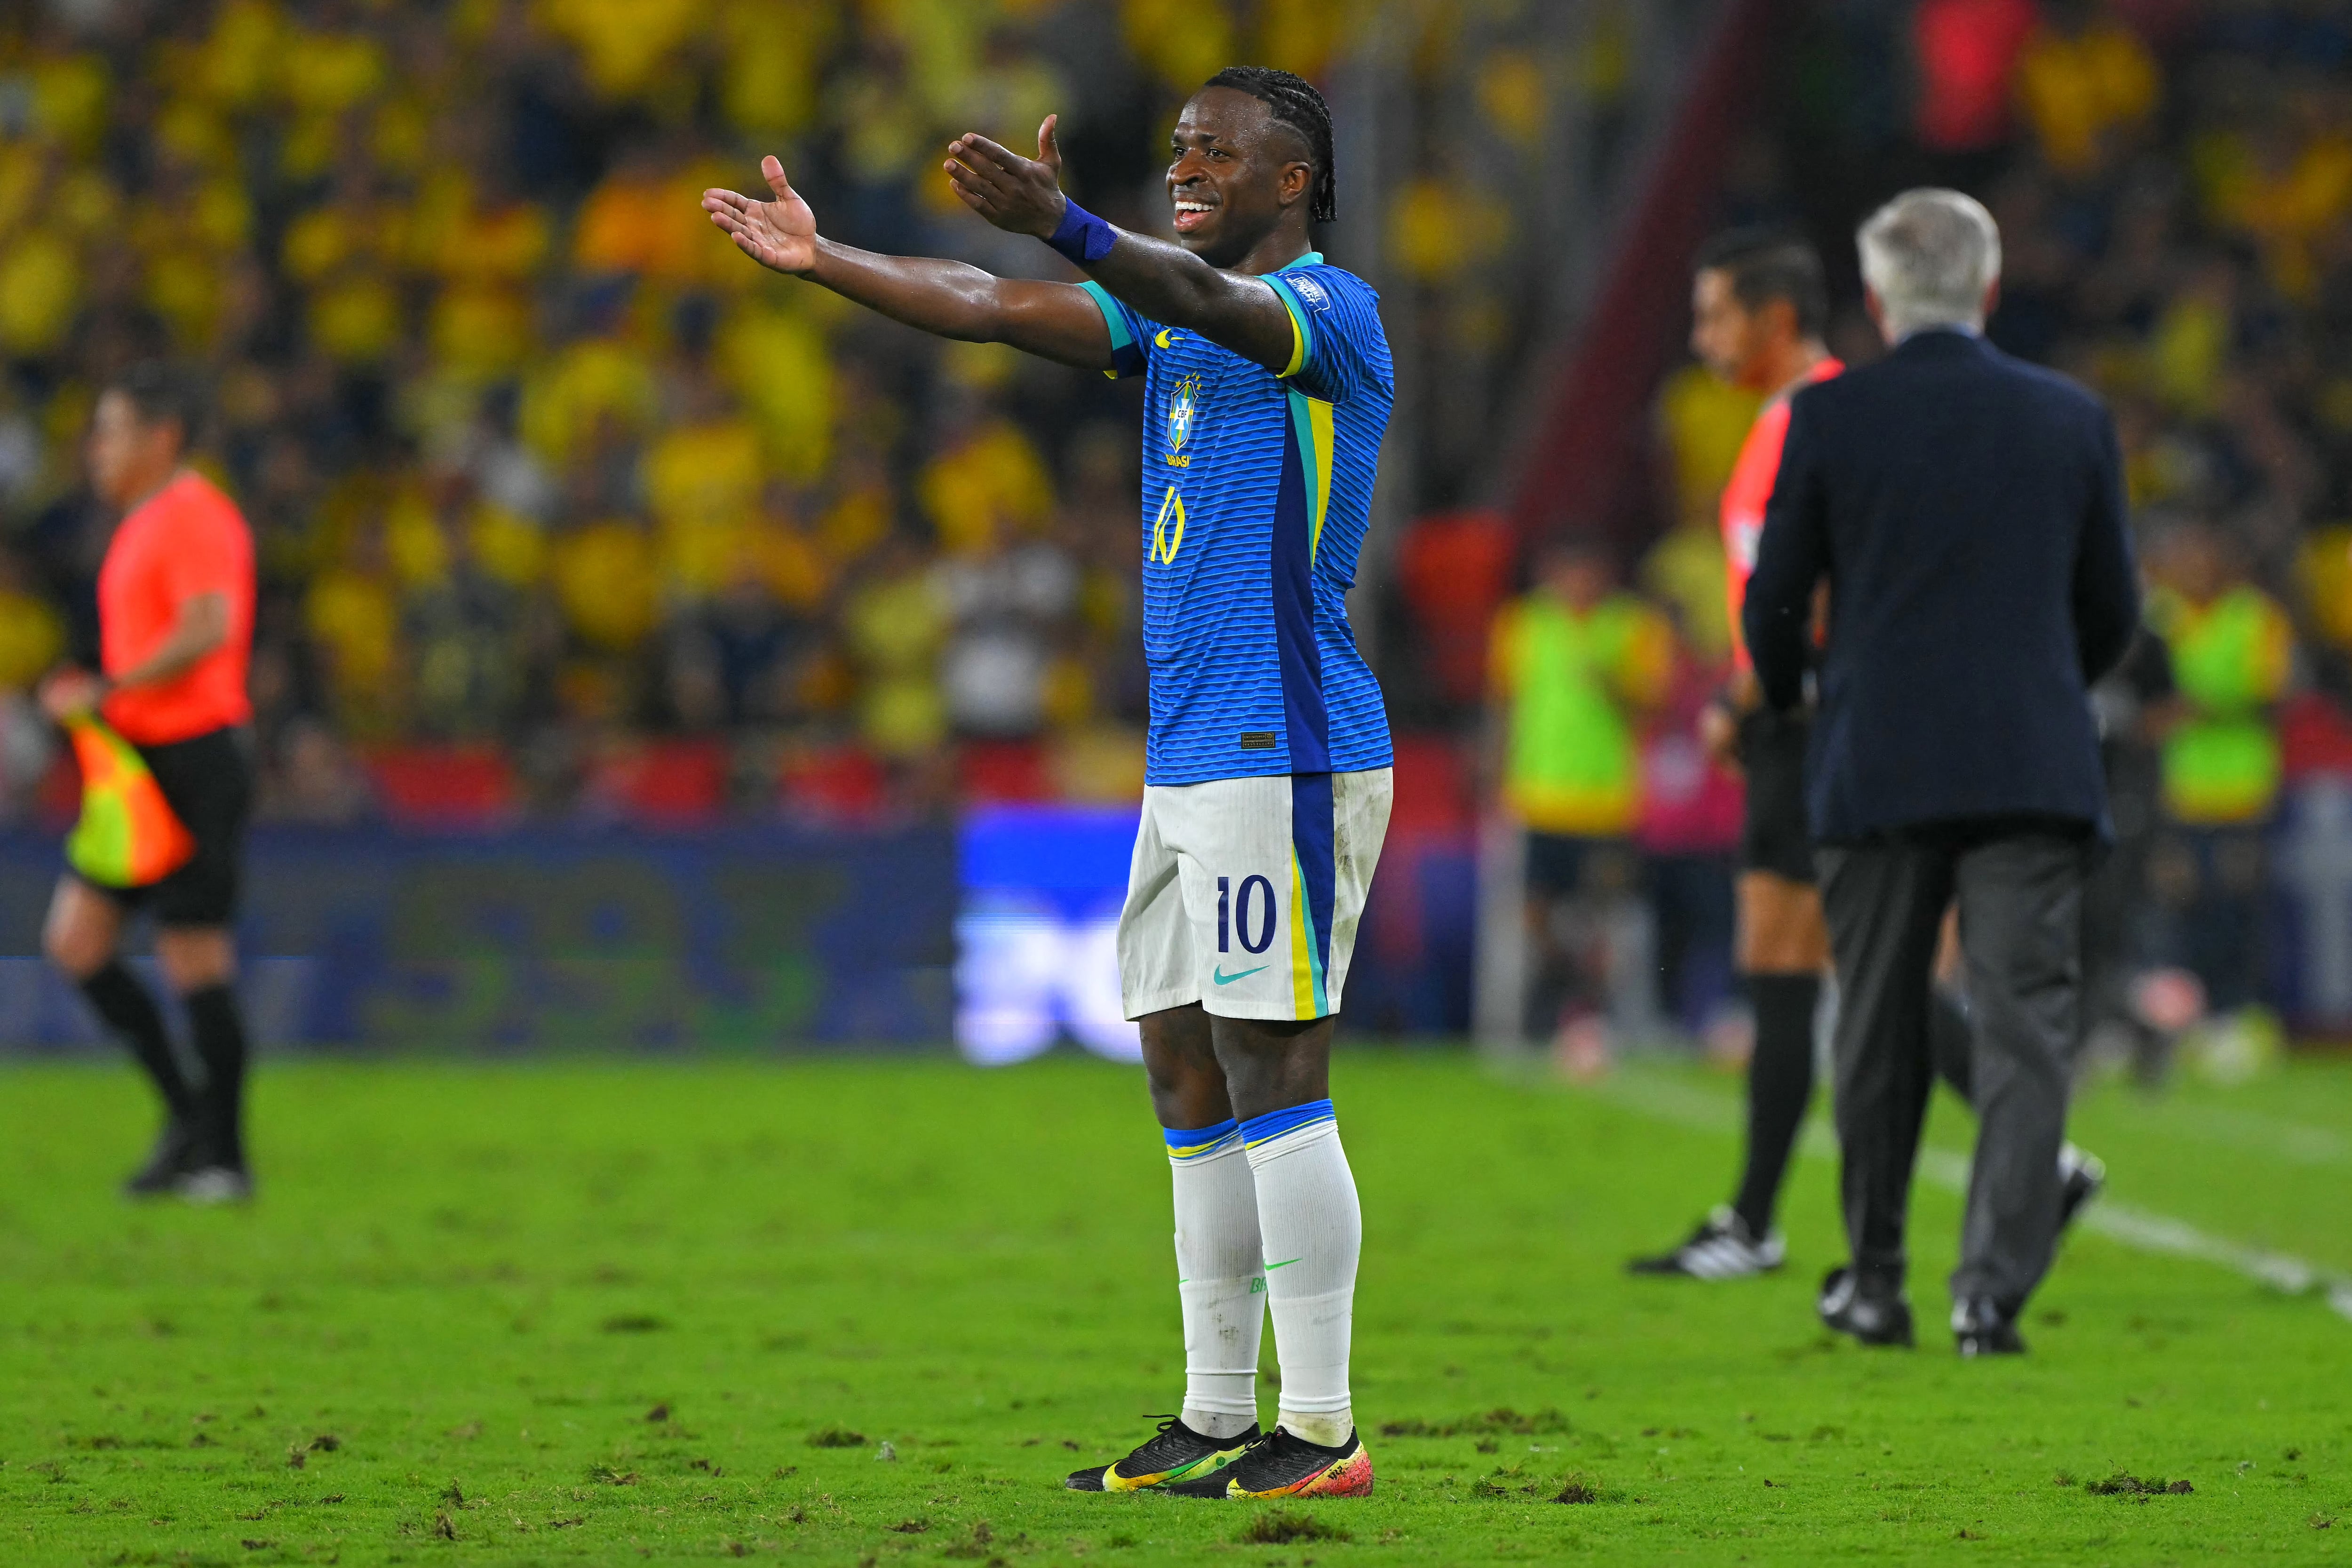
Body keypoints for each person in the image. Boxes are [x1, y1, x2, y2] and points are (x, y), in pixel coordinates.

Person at [706, 67, 1388, 1498]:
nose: (1190, 160)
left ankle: (1319, 1426)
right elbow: (980, 299)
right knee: (1179, 1062)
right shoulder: (1163, 308)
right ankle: (1213, 1411)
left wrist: (1066, 221)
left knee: (1274, 1065)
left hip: (1288, 741)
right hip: (1192, 749)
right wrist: (822, 259)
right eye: (1181, 145)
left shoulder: (1328, 315)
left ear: (1294, 184)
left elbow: (1216, 307)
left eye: (1223, 150)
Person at [1627, 229, 2105, 1280]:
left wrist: (1746, 695)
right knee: (1817, 965)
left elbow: (1821, 589)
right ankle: (2027, 1161)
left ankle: (1762, 1220)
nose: (1702, 335)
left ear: (1774, 317)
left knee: (1803, 963)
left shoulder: (1819, 419)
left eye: (1716, 314)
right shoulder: (1795, 417)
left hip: (1814, 719)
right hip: (1807, 715)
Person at [1745, 190, 2138, 1356]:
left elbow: (1774, 595)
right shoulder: (2071, 418)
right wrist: (2042, 682)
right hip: (2032, 758)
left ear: (1874, 297)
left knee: (1873, 1022)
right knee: (2023, 1029)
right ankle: (1991, 1295)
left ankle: (1875, 1281)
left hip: (1874, 757)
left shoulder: (1828, 420)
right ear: (1990, 289)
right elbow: (2112, 611)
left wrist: (1789, 691)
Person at [39, 362, 259, 1202]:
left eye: (113, 428)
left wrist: (111, 688)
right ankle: (188, 1119)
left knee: (193, 955)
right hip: (137, 763)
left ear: (161, 437)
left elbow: (210, 627)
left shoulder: (193, 512)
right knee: (77, 942)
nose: (98, 447)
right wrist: (101, 694)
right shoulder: (142, 520)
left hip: (195, 755)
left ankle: (225, 1158)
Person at [1486, 538, 1672, 1071]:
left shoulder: (1631, 626)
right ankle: (1560, 1001)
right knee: (1533, 916)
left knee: (1604, 920)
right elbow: (1502, 704)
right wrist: (1492, 773)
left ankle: (1593, 1018)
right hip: (1537, 798)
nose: (1578, 583)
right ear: (1551, 571)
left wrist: (1610, 682)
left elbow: (1652, 706)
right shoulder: (1522, 624)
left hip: (1606, 803)